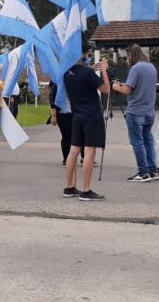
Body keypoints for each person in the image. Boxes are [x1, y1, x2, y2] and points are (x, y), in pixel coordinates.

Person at [62, 44, 109, 201]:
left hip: (77, 115)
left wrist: (92, 69)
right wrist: (103, 70)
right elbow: (105, 89)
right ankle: (86, 190)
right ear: (82, 55)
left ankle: (69, 187)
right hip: (92, 116)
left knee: (74, 150)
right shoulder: (88, 73)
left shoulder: (67, 74)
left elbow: (82, 75)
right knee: (90, 151)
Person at [112, 44, 159, 183]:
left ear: (131, 55)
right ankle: (152, 170)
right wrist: (124, 85)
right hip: (149, 110)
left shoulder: (136, 68)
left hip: (136, 110)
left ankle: (143, 172)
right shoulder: (151, 67)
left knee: (137, 141)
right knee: (148, 140)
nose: (127, 60)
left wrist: (116, 87)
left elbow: (128, 90)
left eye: (127, 57)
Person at [48, 80, 74, 167]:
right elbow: (52, 100)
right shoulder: (58, 83)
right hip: (63, 114)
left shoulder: (76, 79)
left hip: (76, 113)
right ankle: (66, 158)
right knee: (66, 136)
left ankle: (81, 157)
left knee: (78, 136)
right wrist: (53, 116)